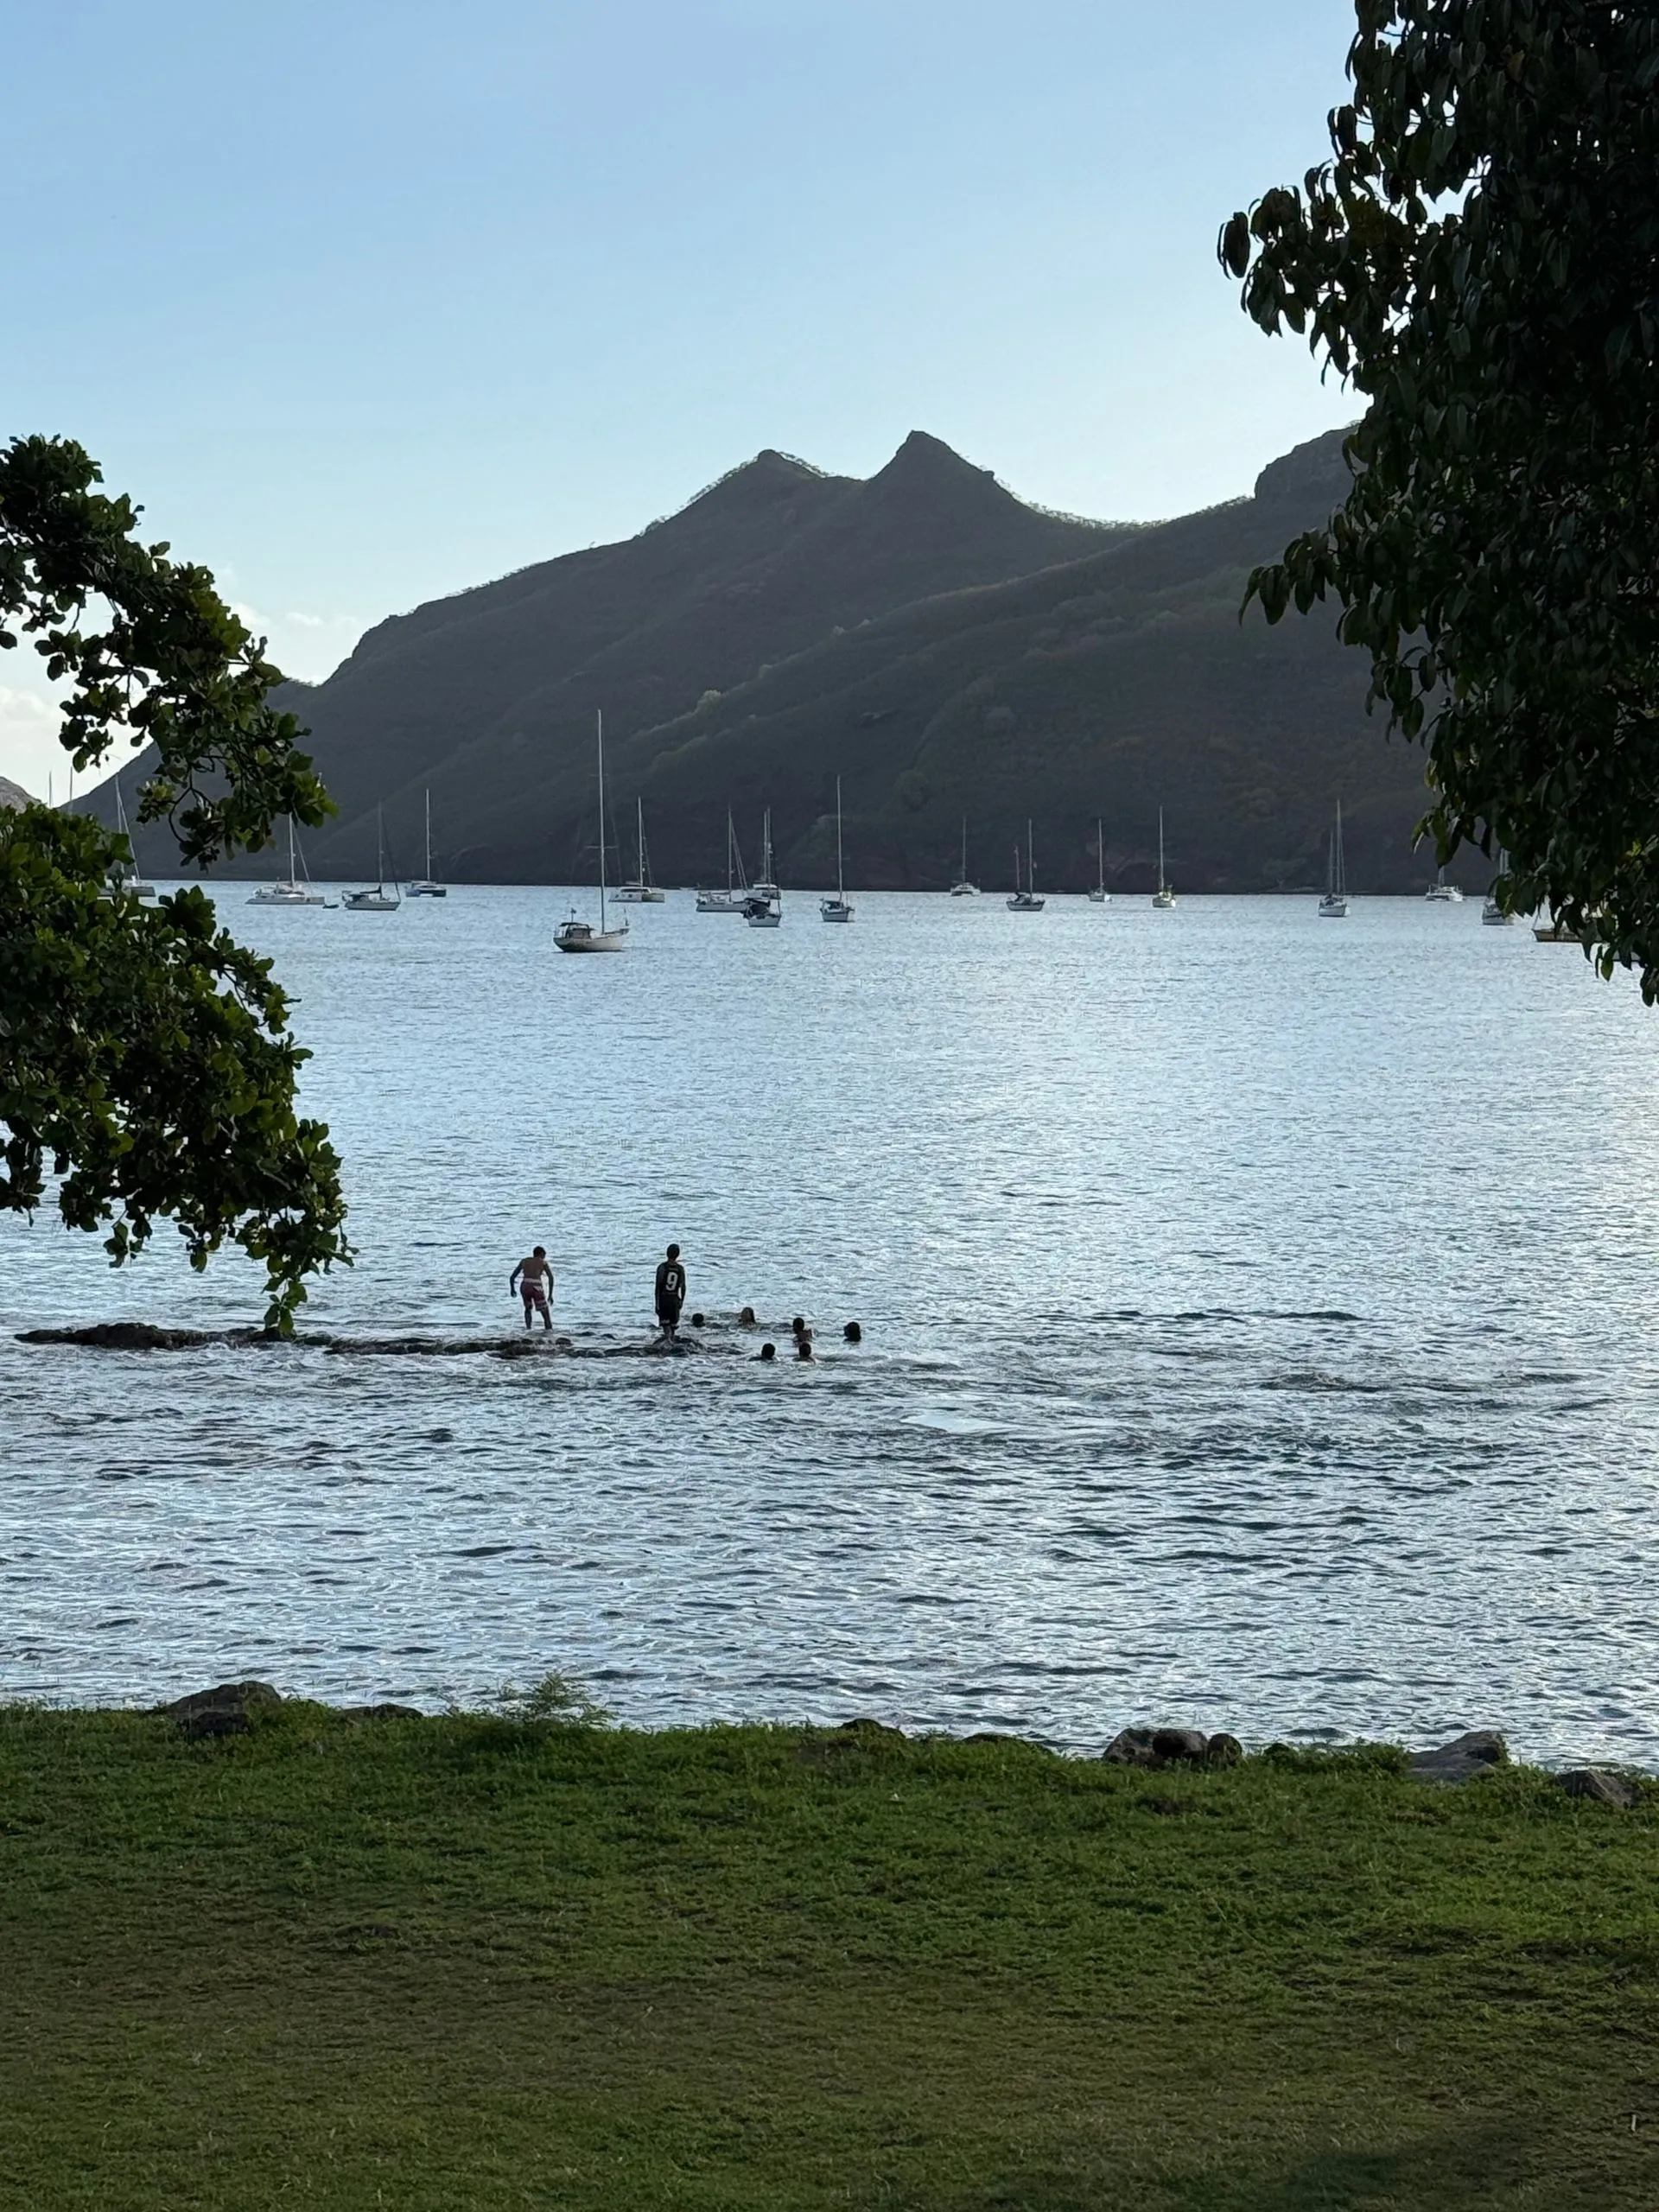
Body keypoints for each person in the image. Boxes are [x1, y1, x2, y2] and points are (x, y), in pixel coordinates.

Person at [510, 1247, 555, 1332]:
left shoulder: (524, 1261)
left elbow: (512, 1277)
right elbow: (551, 1278)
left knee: (528, 1309)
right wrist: (550, 1295)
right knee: (545, 1312)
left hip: (525, 1285)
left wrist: (512, 1289)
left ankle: (528, 1330)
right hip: (536, 1287)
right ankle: (549, 1333)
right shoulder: (543, 1263)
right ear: (541, 1254)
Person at [654, 1243, 687, 1338]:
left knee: (666, 1328)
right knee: (673, 1328)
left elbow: (658, 1287)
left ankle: (667, 1345)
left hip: (664, 1299)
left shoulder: (662, 1267)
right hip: (675, 1299)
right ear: (678, 1255)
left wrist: (657, 1304)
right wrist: (682, 1300)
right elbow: (683, 1286)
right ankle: (672, 1344)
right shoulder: (680, 1269)